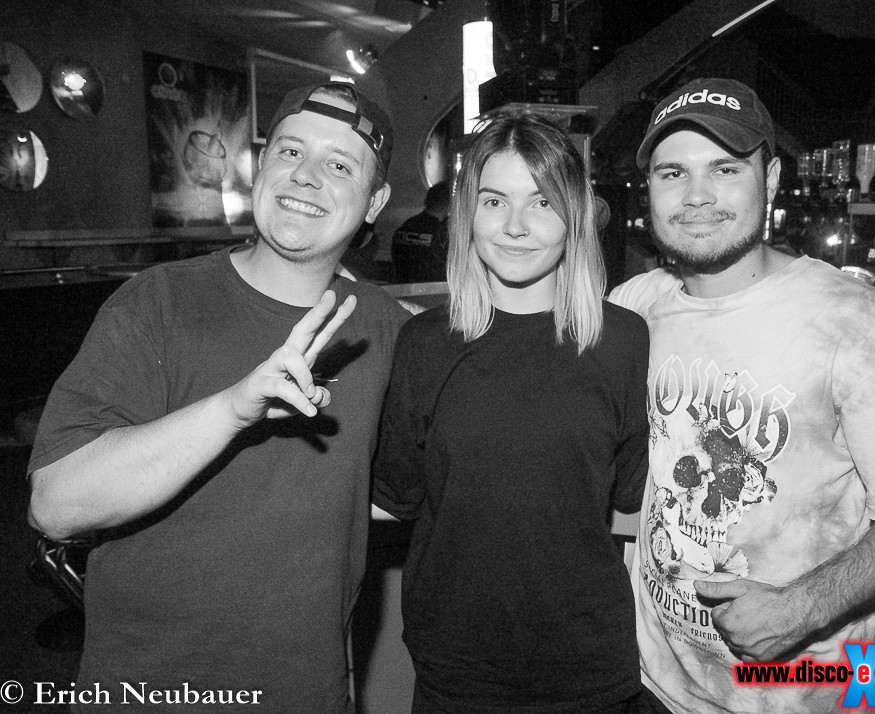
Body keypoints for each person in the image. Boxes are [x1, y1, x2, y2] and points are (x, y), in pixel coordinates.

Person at [27, 81, 410, 712]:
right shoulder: (158, 302)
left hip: (304, 693)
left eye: (340, 165)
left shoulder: (392, 332)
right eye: (290, 152)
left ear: (375, 202)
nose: (305, 176)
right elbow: (56, 504)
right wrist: (232, 409)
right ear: (261, 166)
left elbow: (395, 492)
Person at [610, 77, 875, 713]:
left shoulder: (851, 323)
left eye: (725, 169)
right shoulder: (634, 307)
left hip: (811, 697)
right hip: (658, 686)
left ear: (772, 179)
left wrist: (801, 607)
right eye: (673, 173)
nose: (696, 195)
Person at [372, 111, 652, 713]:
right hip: (457, 666)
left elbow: (631, 500)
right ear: (468, 213)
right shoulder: (424, 343)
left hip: (587, 665)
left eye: (542, 202)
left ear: (574, 216)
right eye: (495, 201)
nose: (517, 226)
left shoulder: (623, 340)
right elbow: (394, 497)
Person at [391, 180, 450, 282]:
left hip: (403, 286)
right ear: (448, 204)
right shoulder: (442, 232)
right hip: (432, 289)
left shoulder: (408, 225)